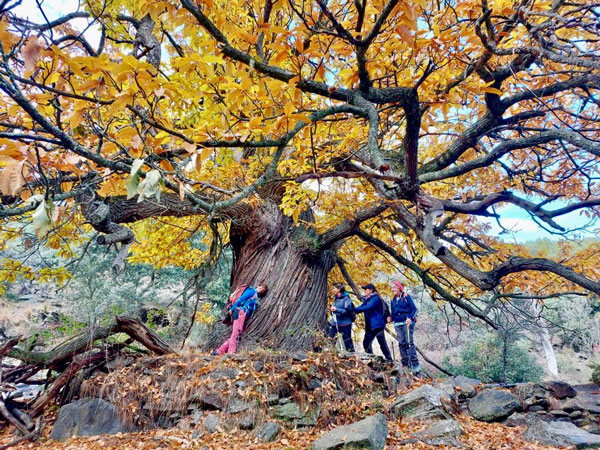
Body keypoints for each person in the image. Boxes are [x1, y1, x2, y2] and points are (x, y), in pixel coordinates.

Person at [215, 283, 268, 355]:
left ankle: (219, 351)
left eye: (263, 290)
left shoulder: (256, 297)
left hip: (242, 314)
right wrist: (232, 309)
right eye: (261, 288)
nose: (262, 290)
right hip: (240, 312)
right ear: (258, 286)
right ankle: (231, 352)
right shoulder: (252, 291)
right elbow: (241, 299)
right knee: (236, 333)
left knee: (236, 333)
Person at [387, 281, 422, 375]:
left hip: (407, 322)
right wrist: (390, 318)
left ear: (399, 288)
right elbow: (393, 313)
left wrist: (410, 318)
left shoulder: (406, 296)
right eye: (392, 288)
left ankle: (416, 367)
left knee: (409, 343)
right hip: (397, 323)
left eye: (394, 287)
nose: (392, 289)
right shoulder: (393, 299)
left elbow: (415, 309)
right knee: (401, 343)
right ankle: (405, 366)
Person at [354, 283, 393, 361]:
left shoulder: (375, 299)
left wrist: (355, 310)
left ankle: (389, 360)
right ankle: (372, 359)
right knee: (366, 343)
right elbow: (361, 307)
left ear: (371, 290)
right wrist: (352, 310)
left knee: (381, 343)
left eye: (366, 289)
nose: (364, 291)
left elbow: (368, 307)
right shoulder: (367, 299)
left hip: (377, 325)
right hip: (370, 326)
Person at [327, 282, 355, 352]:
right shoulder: (336, 298)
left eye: (334, 288)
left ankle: (353, 356)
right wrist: (332, 310)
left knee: (347, 341)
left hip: (345, 323)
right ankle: (330, 355)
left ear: (339, 289)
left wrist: (336, 309)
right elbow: (335, 311)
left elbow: (347, 311)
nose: (333, 289)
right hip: (335, 323)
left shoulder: (347, 299)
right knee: (330, 339)